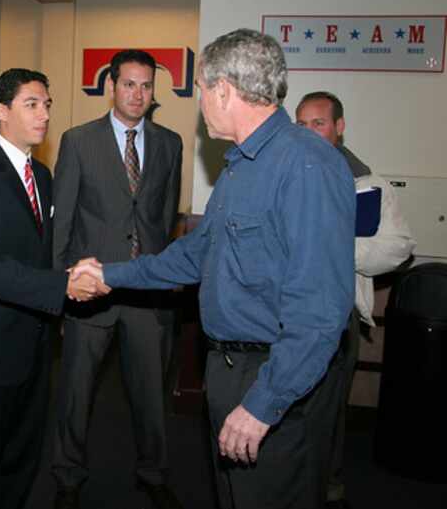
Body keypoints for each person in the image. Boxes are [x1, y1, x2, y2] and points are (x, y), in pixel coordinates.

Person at [72, 29, 356, 509]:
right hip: (229, 368)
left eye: (202, 87)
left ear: (224, 89)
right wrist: (109, 275)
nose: (199, 99)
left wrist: (264, 404)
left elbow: (320, 312)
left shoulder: (307, 164)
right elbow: (194, 255)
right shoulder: (240, 165)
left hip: (270, 377)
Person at [0, 68, 108, 509]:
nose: (45, 114)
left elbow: (39, 254)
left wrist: (74, 269)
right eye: (32, 104)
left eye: (47, 104)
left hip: (33, 347)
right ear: (0, 111)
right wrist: (61, 286)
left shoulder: (43, 175)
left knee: (19, 462)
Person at [50, 49, 183, 509]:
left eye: (146, 85)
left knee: (151, 393)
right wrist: (60, 292)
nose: (138, 93)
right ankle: (68, 477)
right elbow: (62, 221)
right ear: (111, 86)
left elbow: (164, 220)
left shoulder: (170, 144)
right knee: (76, 392)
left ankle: (153, 472)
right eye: (129, 84)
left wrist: (163, 274)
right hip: (90, 292)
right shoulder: (78, 141)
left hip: (148, 293)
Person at [296, 91, 415, 509]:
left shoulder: (365, 183)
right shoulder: (284, 173)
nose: (309, 132)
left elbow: (399, 248)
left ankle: (329, 486)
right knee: (286, 406)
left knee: (328, 411)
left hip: (336, 312)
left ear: (339, 127)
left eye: (319, 124)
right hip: (285, 313)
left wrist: (333, 246)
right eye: (302, 124)